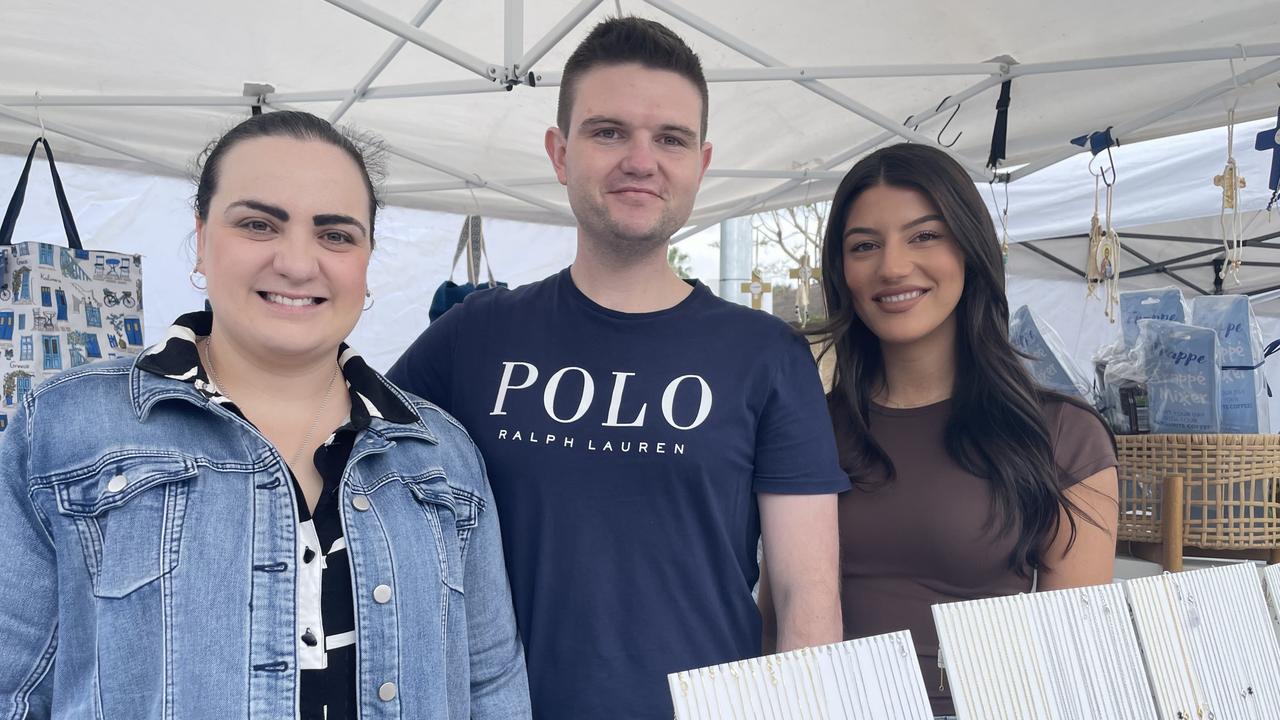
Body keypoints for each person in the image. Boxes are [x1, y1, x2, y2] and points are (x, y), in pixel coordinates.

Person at [0, 111, 530, 720]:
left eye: (335, 235)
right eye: (258, 224)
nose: (299, 264)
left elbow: (490, 684)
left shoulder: (441, 452)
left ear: (366, 259)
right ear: (201, 238)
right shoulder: (68, 425)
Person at [388, 17, 846, 720]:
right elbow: (351, 466)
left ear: (702, 160)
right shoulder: (475, 335)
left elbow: (805, 599)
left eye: (670, 138)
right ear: (560, 152)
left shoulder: (767, 356)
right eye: (609, 132)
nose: (641, 159)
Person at [762, 142, 1119, 719]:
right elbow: (773, 619)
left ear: (970, 250)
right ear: (841, 271)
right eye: (864, 246)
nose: (894, 266)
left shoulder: (1061, 434)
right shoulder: (806, 425)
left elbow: (1073, 661)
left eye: (925, 235)